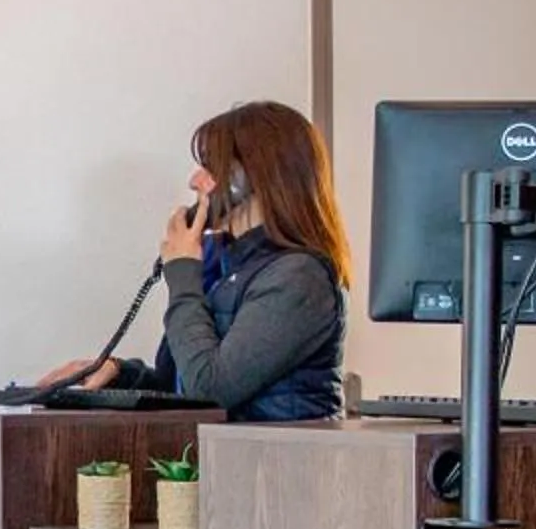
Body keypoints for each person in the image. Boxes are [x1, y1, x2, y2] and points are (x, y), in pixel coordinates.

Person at [40, 99, 351, 422]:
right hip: (217, 457)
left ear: (245, 178)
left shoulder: (298, 277)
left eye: (208, 166)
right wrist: (120, 373)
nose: (193, 181)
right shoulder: (221, 262)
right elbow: (183, 382)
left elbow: (210, 392)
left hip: (273, 464)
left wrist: (183, 275)